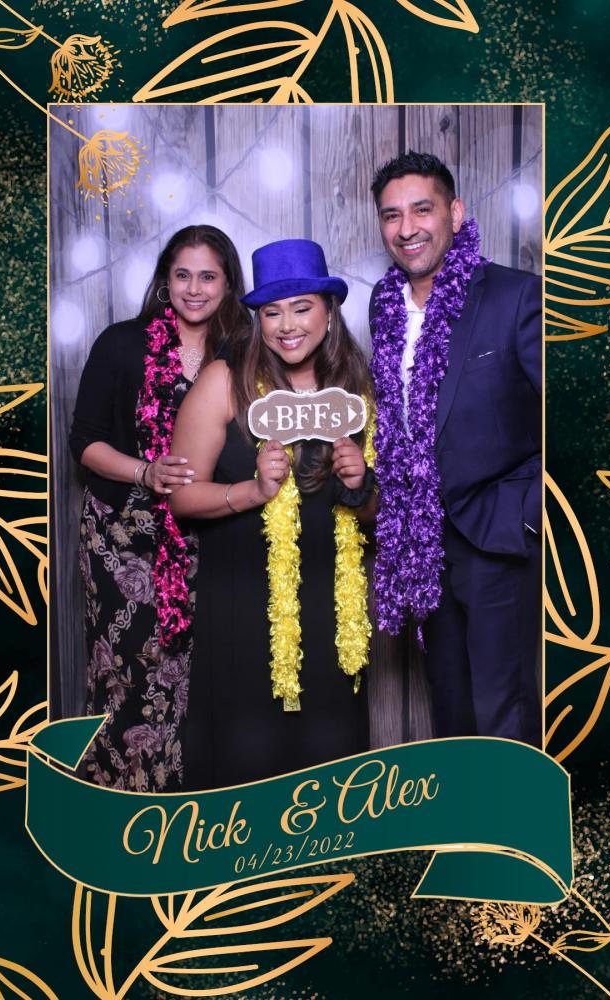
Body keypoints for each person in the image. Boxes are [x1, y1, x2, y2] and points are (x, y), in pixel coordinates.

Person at [170, 239, 375, 789]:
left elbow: (381, 519)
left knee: (331, 775)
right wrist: (254, 491)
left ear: (329, 311)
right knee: (247, 766)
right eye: (271, 312)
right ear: (257, 319)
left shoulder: (355, 387)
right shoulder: (225, 381)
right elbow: (181, 498)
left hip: (332, 616)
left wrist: (360, 485)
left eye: (302, 308)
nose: (287, 326)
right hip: (242, 609)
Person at [369, 151, 542, 746]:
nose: (407, 228)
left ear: (456, 213)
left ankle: (514, 809)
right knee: (450, 710)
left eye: (422, 209)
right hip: (422, 544)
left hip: (498, 535)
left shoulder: (514, 296)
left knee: (503, 709)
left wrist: (528, 512)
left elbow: (566, 414)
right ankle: (462, 809)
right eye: (392, 215)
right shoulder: (383, 305)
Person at [69, 225, 250, 791]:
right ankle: (121, 805)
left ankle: (194, 807)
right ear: (164, 280)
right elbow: (85, 442)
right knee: (127, 672)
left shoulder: (246, 351)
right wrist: (146, 472)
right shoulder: (121, 343)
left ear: (229, 283)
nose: (194, 289)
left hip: (210, 531)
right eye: (182, 275)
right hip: (121, 537)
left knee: (205, 671)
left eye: (208, 277)